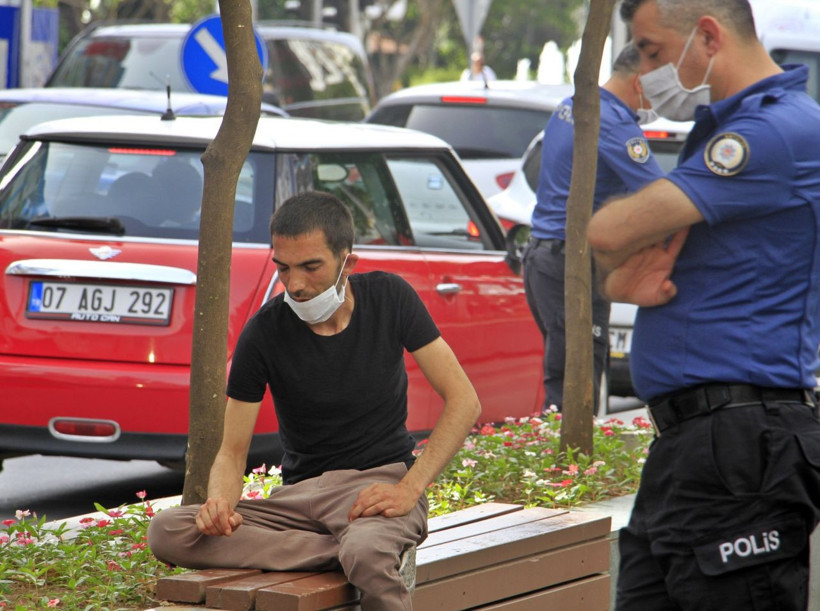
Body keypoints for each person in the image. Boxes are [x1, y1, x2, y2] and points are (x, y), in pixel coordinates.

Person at [586, 1, 820, 609]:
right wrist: (619, 282)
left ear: (709, 36)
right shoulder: (726, 128)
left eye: (653, 51)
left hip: (740, 447)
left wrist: (618, 254)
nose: (646, 71)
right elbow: (620, 263)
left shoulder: (773, 133)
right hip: (696, 445)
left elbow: (607, 232)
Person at [147, 191, 481, 611]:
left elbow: (464, 401)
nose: (296, 285)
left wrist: (409, 489)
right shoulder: (264, 332)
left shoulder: (390, 297)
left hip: (376, 489)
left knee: (367, 552)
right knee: (169, 531)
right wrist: (220, 504)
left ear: (347, 262)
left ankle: (352, 549)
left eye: (310, 266)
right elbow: (232, 452)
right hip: (298, 499)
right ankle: (338, 551)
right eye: (283, 268)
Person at [522, 43, 664, 414]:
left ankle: (559, 446)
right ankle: (566, 453)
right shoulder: (613, 123)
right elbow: (659, 194)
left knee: (567, 378)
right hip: (572, 263)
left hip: (543, 258)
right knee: (577, 386)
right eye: (662, 86)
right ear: (640, 82)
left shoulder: (571, 106)